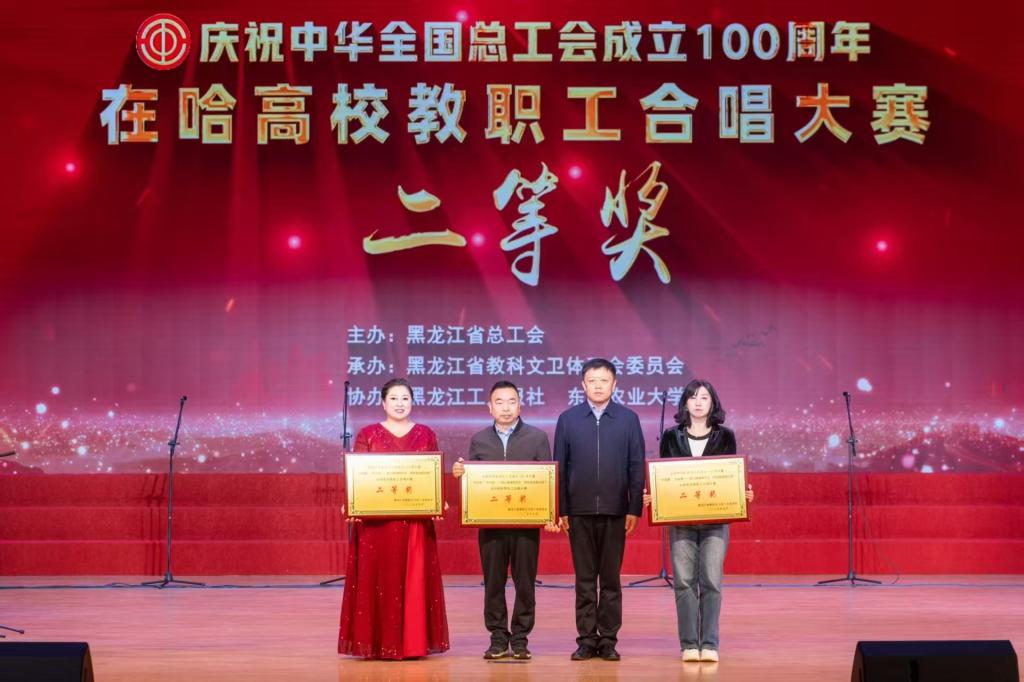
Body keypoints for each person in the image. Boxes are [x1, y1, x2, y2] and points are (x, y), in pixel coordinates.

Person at [338, 378, 450, 659]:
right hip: (377, 525)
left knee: (413, 580)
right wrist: (352, 503)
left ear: (412, 402)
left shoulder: (426, 434)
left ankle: (412, 643)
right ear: (383, 403)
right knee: (379, 579)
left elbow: (433, 475)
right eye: (394, 398)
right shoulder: (368, 434)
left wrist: (438, 499)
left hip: (415, 523)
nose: (400, 404)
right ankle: (378, 643)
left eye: (405, 398)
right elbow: (359, 478)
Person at [646, 379, 754, 663]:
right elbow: (664, 476)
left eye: (704, 397)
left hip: (715, 521)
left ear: (712, 403)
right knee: (683, 582)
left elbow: (730, 474)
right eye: (692, 397)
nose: (697, 402)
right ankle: (689, 645)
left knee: (712, 582)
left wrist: (742, 493)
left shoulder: (725, 436)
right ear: (684, 403)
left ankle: (709, 644)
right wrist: (654, 494)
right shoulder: (671, 436)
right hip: (680, 520)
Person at [453, 380, 556, 660]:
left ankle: (520, 638)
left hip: (526, 526)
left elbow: (547, 480)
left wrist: (549, 514)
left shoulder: (537, 438)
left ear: (520, 405)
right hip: (491, 526)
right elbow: (474, 484)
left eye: (512, 402)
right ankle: (498, 637)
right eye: (499, 402)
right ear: (490, 407)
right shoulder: (479, 440)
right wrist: (462, 473)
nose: (506, 408)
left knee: (525, 583)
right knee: (493, 583)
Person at [553, 358, 645, 662]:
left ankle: (607, 640)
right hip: (578, 511)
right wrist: (562, 508)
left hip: (616, 510)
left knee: (610, 579)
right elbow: (560, 467)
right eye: (592, 381)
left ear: (614, 384)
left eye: (604, 380)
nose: (598, 386)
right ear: (583, 385)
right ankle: (586, 640)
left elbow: (636, 465)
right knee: (584, 579)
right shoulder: (568, 419)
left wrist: (633, 507)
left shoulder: (628, 419)